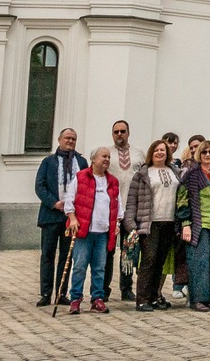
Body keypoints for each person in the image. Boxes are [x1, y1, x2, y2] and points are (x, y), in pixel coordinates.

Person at [123, 138, 179, 311]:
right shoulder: (143, 174)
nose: (160, 153)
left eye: (163, 150)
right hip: (150, 223)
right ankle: (142, 299)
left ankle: (155, 296)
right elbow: (132, 201)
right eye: (156, 150)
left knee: (160, 261)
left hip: (169, 222)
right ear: (151, 154)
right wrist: (131, 224)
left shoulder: (175, 172)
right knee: (149, 260)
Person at [64, 146, 121, 314]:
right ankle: (75, 298)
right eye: (104, 156)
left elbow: (118, 205)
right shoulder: (81, 177)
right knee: (80, 266)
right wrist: (73, 219)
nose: (107, 160)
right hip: (84, 231)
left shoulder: (113, 182)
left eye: (109, 157)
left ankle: (97, 298)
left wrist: (117, 224)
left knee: (99, 267)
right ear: (93, 159)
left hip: (103, 232)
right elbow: (69, 201)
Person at [34, 128, 86, 308]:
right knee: (47, 255)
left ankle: (62, 293)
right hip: (51, 215)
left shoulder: (81, 161)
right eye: (67, 138)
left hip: (71, 218)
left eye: (73, 138)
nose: (70, 141)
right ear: (59, 139)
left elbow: (86, 186)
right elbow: (40, 187)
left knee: (66, 256)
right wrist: (54, 203)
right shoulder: (48, 162)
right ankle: (46, 293)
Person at [177, 142, 210, 312]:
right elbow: (182, 200)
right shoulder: (192, 174)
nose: (208, 155)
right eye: (204, 152)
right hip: (197, 224)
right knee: (198, 262)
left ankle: (206, 297)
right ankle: (197, 299)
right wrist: (185, 224)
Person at [104, 121, 138, 303]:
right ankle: (103, 288)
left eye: (123, 131)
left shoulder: (138, 154)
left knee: (128, 251)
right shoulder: (107, 154)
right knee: (107, 251)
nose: (119, 134)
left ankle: (126, 288)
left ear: (128, 133)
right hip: (110, 210)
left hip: (132, 210)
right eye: (116, 131)